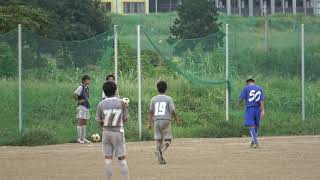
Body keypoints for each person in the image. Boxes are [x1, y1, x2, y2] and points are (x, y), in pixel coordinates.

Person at [96, 81, 129, 180]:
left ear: (104, 92)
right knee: (122, 159)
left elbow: (99, 120)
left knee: (108, 159)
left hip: (106, 132)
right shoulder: (122, 103)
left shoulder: (101, 104)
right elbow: (125, 119)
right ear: (115, 90)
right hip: (118, 132)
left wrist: (105, 125)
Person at [147, 80, 180, 164]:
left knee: (159, 140)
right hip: (165, 120)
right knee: (168, 140)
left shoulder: (153, 99)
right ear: (166, 89)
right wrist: (176, 119)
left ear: (157, 89)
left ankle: (161, 159)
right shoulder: (168, 98)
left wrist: (149, 123)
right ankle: (160, 151)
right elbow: (173, 111)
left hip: (156, 121)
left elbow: (151, 112)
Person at [237, 78, 265, 148]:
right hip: (258, 108)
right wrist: (262, 110)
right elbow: (261, 100)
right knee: (256, 126)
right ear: (253, 82)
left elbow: (241, 98)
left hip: (250, 109)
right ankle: (253, 141)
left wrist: (238, 104)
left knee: (250, 125)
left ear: (247, 83)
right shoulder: (259, 88)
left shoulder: (246, 88)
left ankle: (256, 143)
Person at [73, 75, 91, 144]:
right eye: (87, 80)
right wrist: (78, 101)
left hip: (86, 106)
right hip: (81, 106)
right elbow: (75, 94)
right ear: (84, 81)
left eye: (89, 80)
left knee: (84, 121)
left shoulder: (87, 88)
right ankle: (79, 138)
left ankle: (83, 138)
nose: (89, 81)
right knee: (80, 121)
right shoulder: (81, 87)